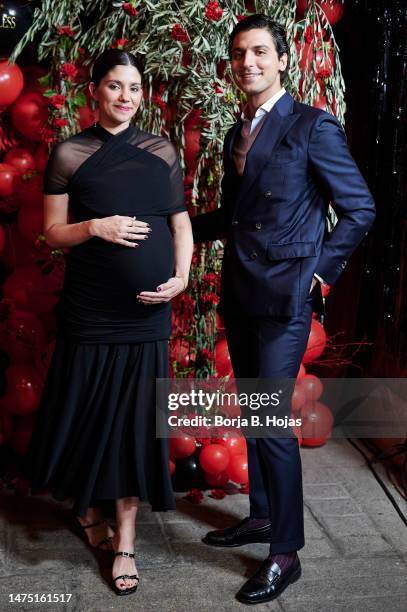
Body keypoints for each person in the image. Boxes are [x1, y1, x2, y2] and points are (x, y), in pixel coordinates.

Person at [192, 15, 375, 605]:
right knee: (254, 414)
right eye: (240, 53)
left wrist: (319, 274)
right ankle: (264, 516)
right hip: (243, 293)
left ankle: (285, 553)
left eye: (260, 52)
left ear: (282, 59)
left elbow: (359, 209)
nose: (249, 62)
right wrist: (177, 229)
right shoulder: (236, 130)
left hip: (287, 297)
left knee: (271, 424)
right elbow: (237, 216)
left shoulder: (312, 126)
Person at [26, 49, 193, 596]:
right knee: (89, 414)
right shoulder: (70, 154)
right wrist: (94, 226)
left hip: (146, 311)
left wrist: (183, 274)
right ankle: (87, 512)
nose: (126, 97)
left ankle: (124, 539)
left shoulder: (161, 151)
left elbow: (181, 223)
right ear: (95, 90)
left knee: (134, 423)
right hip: (91, 310)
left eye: (136, 89)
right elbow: (52, 233)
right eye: (116, 86)